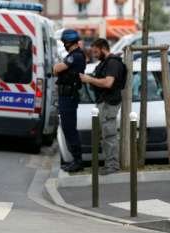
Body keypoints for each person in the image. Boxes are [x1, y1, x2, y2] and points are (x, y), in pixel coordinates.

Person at [80, 38, 126, 175]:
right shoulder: (106, 63)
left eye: (96, 51)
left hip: (108, 103)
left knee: (109, 135)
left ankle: (112, 166)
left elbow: (108, 83)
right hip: (104, 102)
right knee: (105, 135)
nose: (94, 55)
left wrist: (89, 79)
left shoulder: (112, 63)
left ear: (103, 48)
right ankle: (109, 164)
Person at [53, 29, 86, 172]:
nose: (64, 45)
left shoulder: (76, 56)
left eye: (64, 42)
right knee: (67, 128)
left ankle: (78, 161)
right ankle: (74, 160)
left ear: (68, 42)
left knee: (70, 128)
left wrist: (57, 67)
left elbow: (57, 69)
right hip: (66, 96)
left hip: (69, 97)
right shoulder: (72, 55)